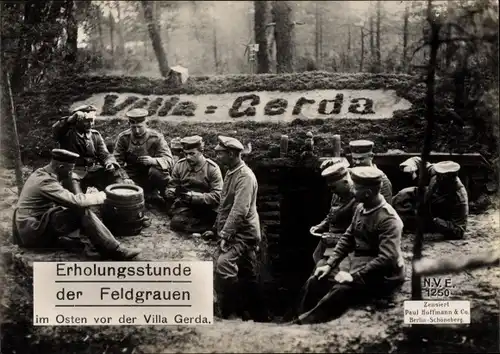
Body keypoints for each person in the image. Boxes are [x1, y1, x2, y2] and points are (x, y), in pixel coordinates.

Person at [293, 166, 405, 325]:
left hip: (383, 275)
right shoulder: (362, 207)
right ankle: (298, 317)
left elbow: (387, 259)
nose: (352, 191)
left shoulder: (389, 220)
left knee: (341, 289)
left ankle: (305, 323)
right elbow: (348, 237)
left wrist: (354, 276)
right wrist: (330, 264)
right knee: (316, 280)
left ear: (367, 193)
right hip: (360, 263)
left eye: (356, 189)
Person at [12, 149, 141, 260]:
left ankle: (93, 241)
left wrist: (86, 197)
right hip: (31, 231)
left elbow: (67, 199)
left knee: (75, 209)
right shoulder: (45, 181)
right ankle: (115, 250)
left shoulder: (44, 172)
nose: (71, 174)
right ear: (60, 167)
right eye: (70, 170)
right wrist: (100, 196)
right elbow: (76, 201)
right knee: (81, 210)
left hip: (34, 224)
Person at [206, 135, 268, 321]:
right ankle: (260, 316)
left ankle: (233, 312)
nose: (217, 157)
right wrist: (214, 228)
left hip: (243, 233)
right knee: (248, 276)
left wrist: (224, 235)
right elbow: (225, 205)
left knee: (224, 266)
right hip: (238, 231)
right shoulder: (232, 171)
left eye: (221, 154)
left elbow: (239, 210)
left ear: (232, 154)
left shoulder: (245, 177)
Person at [52, 104, 123, 193]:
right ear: (77, 121)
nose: (91, 124)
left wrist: (109, 162)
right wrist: (70, 119)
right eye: (87, 121)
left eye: (92, 121)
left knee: (115, 174)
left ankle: (121, 198)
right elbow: (56, 129)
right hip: (74, 172)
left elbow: (104, 154)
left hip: (93, 170)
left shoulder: (95, 135)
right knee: (76, 196)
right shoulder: (67, 133)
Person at [392, 158, 468, 240]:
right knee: (404, 194)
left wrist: (435, 221)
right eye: (438, 175)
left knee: (415, 223)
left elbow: (459, 230)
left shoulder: (459, 198)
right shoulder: (438, 173)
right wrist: (410, 166)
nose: (438, 178)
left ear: (453, 177)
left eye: (444, 177)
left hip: (439, 214)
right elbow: (418, 160)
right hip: (429, 197)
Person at [113, 108, 174, 203]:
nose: (136, 131)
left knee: (156, 172)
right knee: (118, 185)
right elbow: (116, 161)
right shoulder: (123, 138)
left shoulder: (156, 138)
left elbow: (169, 160)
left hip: (151, 177)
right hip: (132, 178)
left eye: (140, 126)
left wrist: (153, 161)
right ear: (129, 124)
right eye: (133, 127)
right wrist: (125, 177)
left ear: (147, 123)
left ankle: (167, 198)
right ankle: (147, 196)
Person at [166, 135, 223, 234]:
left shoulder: (212, 169)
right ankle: (203, 228)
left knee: (215, 217)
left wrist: (195, 197)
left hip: (207, 207)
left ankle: (209, 228)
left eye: (192, 154)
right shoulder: (179, 166)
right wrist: (170, 191)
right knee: (175, 223)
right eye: (185, 154)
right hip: (187, 206)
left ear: (201, 151)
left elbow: (218, 195)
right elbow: (173, 185)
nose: (188, 157)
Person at [310, 158, 357, 265]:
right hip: (329, 240)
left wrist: (334, 238)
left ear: (345, 182)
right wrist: (321, 225)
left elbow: (358, 234)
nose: (332, 191)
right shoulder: (337, 194)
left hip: (346, 247)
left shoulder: (357, 201)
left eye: (334, 187)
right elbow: (331, 214)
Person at [321, 140, 393, 204]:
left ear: (371, 156)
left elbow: (385, 205)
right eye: (354, 159)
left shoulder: (382, 179)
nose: (357, 162)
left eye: (361, 159)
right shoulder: (349, 174)